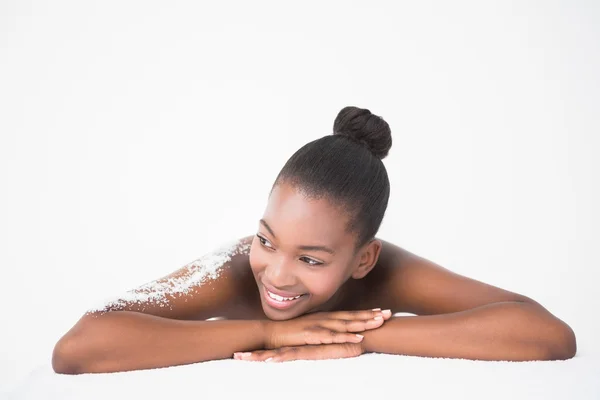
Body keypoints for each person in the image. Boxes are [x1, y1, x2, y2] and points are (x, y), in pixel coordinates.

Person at [51, 106, 577, 374]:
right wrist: (270, 334)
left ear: (363, 259)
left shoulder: (388, 270)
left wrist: (356, 339)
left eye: (310, 258)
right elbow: (79, 346)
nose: (276, 273)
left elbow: (546, 334)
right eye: (267, 239)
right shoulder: (237, 268)